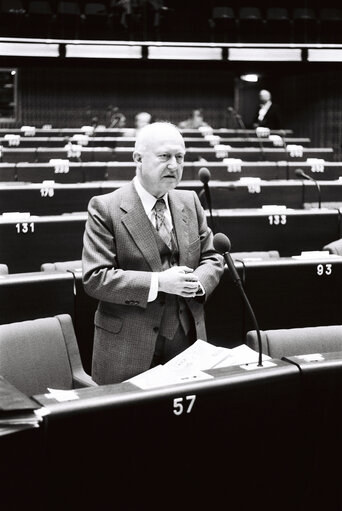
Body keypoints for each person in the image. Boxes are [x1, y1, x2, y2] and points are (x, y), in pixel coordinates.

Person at [82, 122, 224, 384]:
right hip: (127, 347)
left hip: (187, 342)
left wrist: (197, 284)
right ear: (137, 158)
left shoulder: (190, 201)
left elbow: (213, 258)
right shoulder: (105, 208)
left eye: (180, 157)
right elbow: (96, 278)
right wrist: (160, 283)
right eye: (164, 156)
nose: (174, 165)